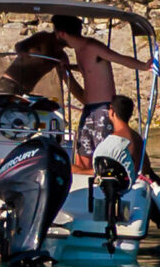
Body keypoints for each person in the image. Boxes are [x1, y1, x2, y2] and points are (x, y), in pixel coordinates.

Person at [50, 13, 142, 167]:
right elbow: (88, 68)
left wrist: (145, 66)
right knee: (82, 153)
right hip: (88, 110)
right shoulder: (79, 50)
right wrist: (68, 68)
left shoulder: (92, 47)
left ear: (62, 34)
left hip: (103, 110)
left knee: (102, 156)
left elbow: (120, 58)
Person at [0, 31, 82, 106]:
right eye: (75, 35)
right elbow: (20, 45)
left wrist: (85, 102)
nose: (78, 39)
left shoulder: (61, 56)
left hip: (24, 91)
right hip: (8, 85)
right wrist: (23, 54)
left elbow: (69, 80)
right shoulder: (43, 38)